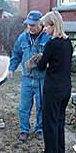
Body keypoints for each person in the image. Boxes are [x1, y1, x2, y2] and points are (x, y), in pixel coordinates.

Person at [8, 10, 50, 142]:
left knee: (41, 105)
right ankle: (24, 130)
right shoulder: (22, 37)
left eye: (33, 25)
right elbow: (16, 54)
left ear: (40, 23)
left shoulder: (47, 37)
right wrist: (11, 68)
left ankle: (40, 129)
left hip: (42, 78)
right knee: (24, 106)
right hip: (27, 78)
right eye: (28, 25)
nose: (30, 27)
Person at [36, 11, 73, 153]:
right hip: (66, 88)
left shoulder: (51, 44)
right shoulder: (68, 42)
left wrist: (41, 59)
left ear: (53, 25)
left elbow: (40, 66)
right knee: (59, 122)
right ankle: (60, 150)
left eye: (45, 26)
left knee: (49, 124)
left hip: (53, 90)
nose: (44, 29)